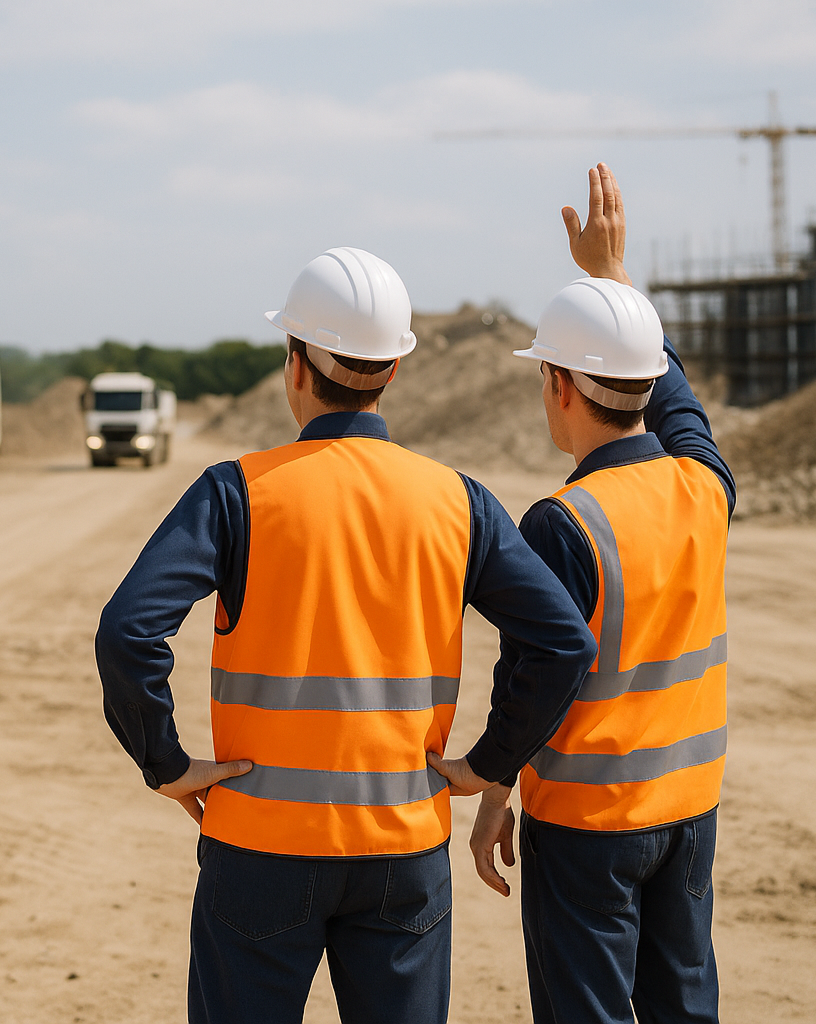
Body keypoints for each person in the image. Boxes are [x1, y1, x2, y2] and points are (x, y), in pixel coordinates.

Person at [95, 247, 598, 1024]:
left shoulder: (237, 493)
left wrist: (164, 762)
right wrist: (487, 763)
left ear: (295, 364)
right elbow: (564, 643)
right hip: (402, 849)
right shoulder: (457, 501)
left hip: (258, 846)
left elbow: (129, 633)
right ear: (395, 369)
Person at [462, 165, 736, 1024]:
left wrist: (490, 780)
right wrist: (614, 282)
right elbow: (678, 402)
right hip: (690, 810)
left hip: (588, 823)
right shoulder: (705, 487)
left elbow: (540, 673)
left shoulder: (563, 522)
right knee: (684, 1006)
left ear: (558, 385)